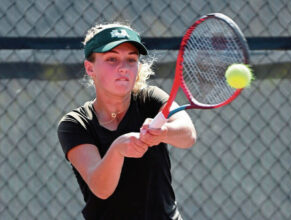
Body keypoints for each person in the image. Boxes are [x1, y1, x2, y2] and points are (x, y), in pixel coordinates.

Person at [57, 22, 196, 220]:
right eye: (112, 59)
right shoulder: (75, 124)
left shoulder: (151, 99)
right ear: (90, 68)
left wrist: (163, 132)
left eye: (131, 59)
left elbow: (188, 135)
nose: (123, 68)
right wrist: (118, 149)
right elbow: (101, 188)